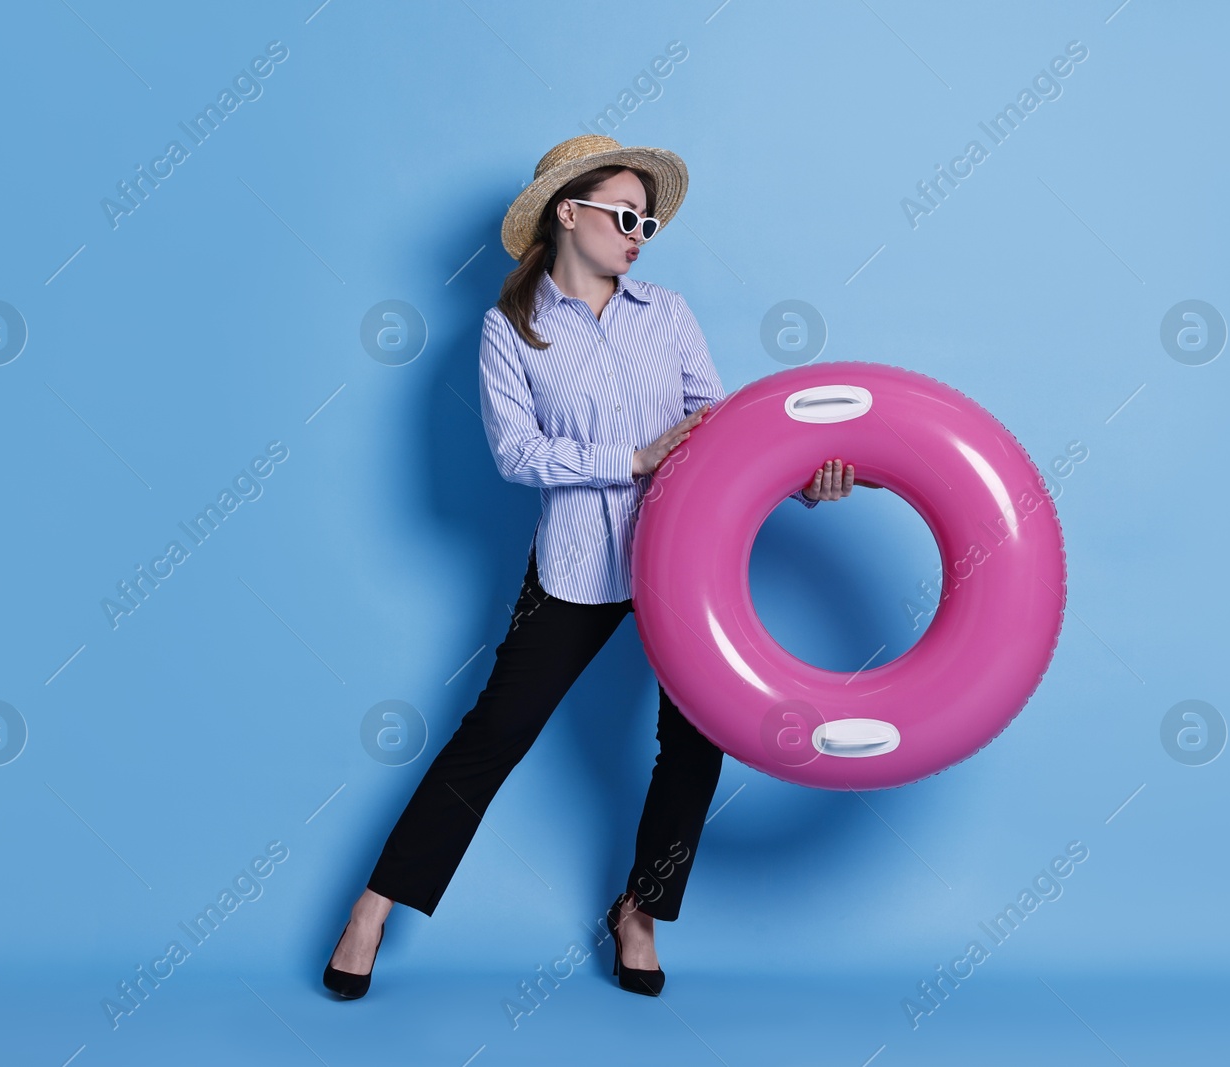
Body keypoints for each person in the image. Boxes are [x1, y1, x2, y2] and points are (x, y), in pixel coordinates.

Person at [323, 134, 868, 1001]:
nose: (639, 232)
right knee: (492, 737)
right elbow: (516, 452)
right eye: (624, 214)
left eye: (646, 219)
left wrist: (805, 484)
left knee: (695, 736)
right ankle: (373, 908)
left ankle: (639, 912)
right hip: (576, 566)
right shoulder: (512, 330)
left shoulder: (667, 312)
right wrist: (634, 457)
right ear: (566, 214)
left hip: (680, 560)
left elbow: (720, 432)